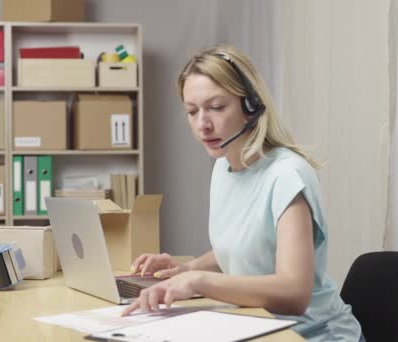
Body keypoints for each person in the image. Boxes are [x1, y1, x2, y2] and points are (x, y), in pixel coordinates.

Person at [121, 45, 364, 342]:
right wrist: (185, 268)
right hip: (255, 326)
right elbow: (247, 246)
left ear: (251, 105)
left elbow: (294, 294)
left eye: (217, 107)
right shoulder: (223, 167)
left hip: (310, 335)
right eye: (192, 111)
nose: (202, 125)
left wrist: (200, 281)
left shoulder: (286, 176)